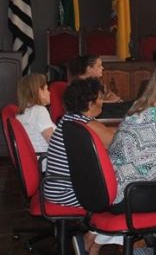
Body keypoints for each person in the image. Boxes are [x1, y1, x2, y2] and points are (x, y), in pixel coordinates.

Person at [70, 67, 156, 254]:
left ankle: (114, 244)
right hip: (131, 193)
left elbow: (145, 144)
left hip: (108, 190)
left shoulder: (140, 105)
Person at [43, 78, 116, 255]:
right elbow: (115, 140)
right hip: (67, 192)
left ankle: (92, 242)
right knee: (122, 199)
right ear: (90, 103)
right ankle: (91, 240)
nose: (102, 102)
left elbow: (108, 132)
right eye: (100, 98)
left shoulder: (72, 118)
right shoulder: (84, 124)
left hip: (58, 186)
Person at [16, 73, 55, 153]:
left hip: (37, 159)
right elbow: (54, 143)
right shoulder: (40, 111)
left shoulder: (20, 114)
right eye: (46, 89)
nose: (49, 93)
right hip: (47, 161)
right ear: (39, 91)